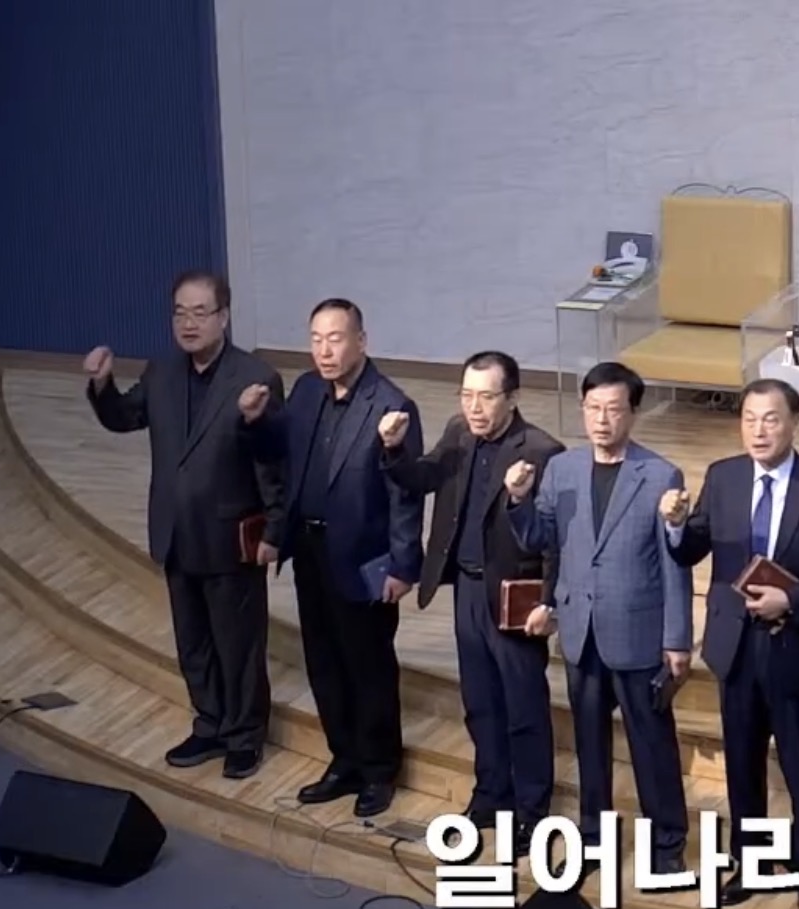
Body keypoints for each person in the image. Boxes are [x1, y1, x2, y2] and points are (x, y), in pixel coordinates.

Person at [660, 378, 799, 905]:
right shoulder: (723, 476)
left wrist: (789, 600)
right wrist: (678, 526)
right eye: (749, 419)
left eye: (770, 419)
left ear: (794, 422)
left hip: (798, 648)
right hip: (736, 648)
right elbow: (691, 548)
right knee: (742, 764)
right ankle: (749, 866)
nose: (759, 430)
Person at [84, 270, 283, 780]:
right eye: (180, 312)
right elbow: (124, 417)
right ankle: (210, 723)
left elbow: (273, 462)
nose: (188, 323)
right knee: (193, 644)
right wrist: (102, 386)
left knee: (239, 647)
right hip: (176, 532)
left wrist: (275, 532)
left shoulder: (255, 377)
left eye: (200, 312)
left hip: (230, 537)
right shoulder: (163, 371)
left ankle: (245, 735)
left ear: (224, 317)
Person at [241, 298, 423, 819]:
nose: (324, 350)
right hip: (310, 550)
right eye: (317, 339)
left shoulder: (391, 405)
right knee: (323, 661)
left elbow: (405, 494)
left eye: (335, 339)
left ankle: (379, 770)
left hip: (364, 558)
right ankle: (344, 760)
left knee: (369, 667)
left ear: (361, 341)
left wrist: (403, 564)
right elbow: (281, 450)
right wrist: (255, 421)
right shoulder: (304, 391)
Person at [507, 363, 691, 865]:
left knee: (652, 747)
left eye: (613, 409)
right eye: (593, 409)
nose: (601, 420)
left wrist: (677, 640)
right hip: (581, 631)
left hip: (637, 632)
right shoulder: (562, 470)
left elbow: (674, 565)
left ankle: (667, 846)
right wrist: (519, 500)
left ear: (633, 412)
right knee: (589, 747)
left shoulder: (660, 475)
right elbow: (540, 539)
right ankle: (594, 839)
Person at [380, 350, 563, 846]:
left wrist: (550, 601)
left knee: (523, 708)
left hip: (514, 595)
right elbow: (423, 477)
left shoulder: (542, 451)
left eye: (486, 396)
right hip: (467, 588)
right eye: (467, 395)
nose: (474, 407)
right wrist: (394, 450)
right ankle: (490, 795)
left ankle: (531, 812)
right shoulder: (458, 433)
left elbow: (554, 538)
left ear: (512, 398)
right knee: (480, 702)